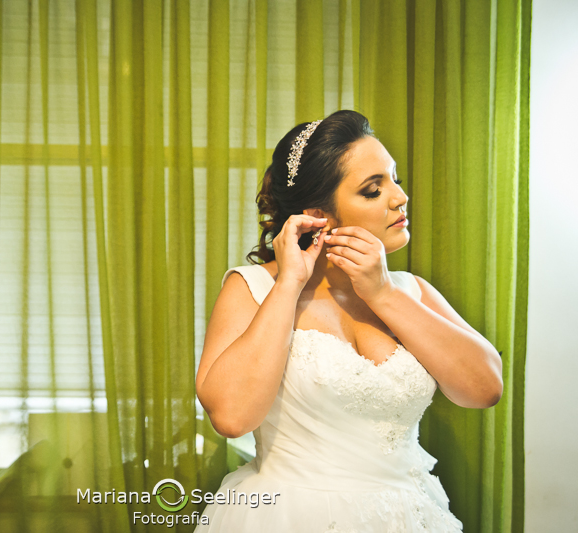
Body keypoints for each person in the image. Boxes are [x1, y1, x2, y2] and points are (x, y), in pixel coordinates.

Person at [193, 110, 503, 532]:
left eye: (394, 178)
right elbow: (230, 418)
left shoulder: (411, 291)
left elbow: (484, 389)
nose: (400, 197)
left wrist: (383, 294)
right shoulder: (252, 289)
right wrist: (289, 285)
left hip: (407, 517)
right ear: (319, 214)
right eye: (374, 190)